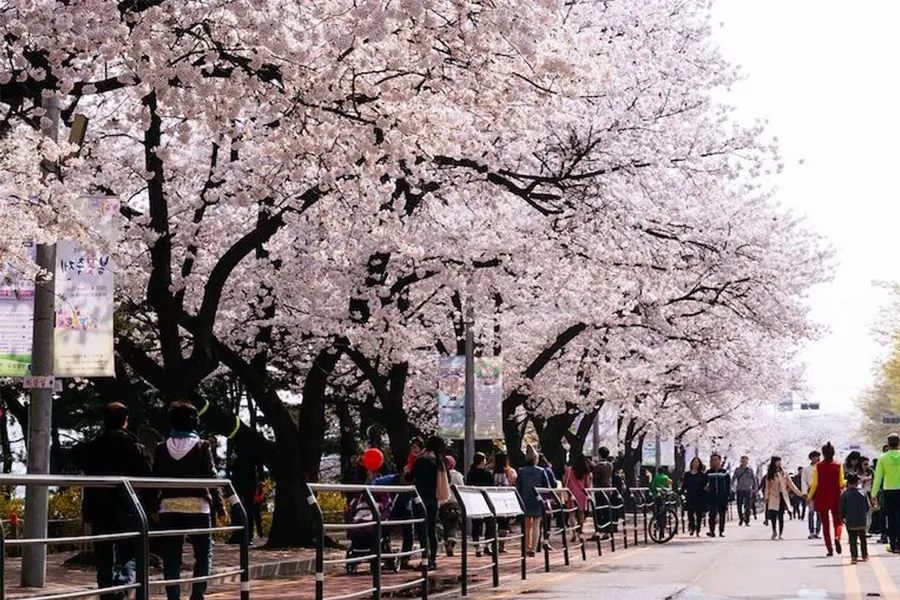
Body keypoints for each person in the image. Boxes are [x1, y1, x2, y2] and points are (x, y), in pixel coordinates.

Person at [71, 402, 152, 600]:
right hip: (127, 507)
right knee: (131, 553)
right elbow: (148, 477)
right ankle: (122, 585)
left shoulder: (92, 447)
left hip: (98, 507)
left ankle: (106, 592)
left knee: (103, 556)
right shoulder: (136, 448)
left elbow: (74, 455)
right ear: (126, 421)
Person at [151, 402, 226, 600]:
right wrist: (220, 507)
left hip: (168, 507)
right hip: (198, 507)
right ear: (194, 422)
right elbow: (211, 478)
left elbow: (154, 480)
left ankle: (173, 597)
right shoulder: (203, 446)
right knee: (203, 555)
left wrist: (152, 508)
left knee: (171, 557)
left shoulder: (161, 448)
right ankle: (197, 596)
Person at [411, 435, 449, 569]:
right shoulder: (440, 463)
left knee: (422, 531)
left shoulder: (420, 461)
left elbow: (411, 476)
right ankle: (432, 559)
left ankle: (425, 560)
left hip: (420, 499)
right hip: (434, 499)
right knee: (431, 530)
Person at [807, 441, 845, 557]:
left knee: (825, 524)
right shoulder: (838, 465)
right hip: (835, 496)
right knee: (837, 521)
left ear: (823, 454)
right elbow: (841, 483)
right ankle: (837, 537)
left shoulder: (818, 466)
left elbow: (815, 484)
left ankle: (829, 549)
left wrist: (809, 497)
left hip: (822, 496)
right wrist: (848, 481)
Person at [516, 446, 550, 557]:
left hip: (524, 500)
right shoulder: (541, 471)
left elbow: (518, 486)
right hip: (537, 500)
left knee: (526, 526)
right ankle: (533, 548)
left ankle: (526, 547)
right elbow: (547, 487)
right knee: (536, 525)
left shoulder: (521, 471)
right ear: (536, 459)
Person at [763, 456, 803, 540]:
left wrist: (800, 494)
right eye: (777, 461)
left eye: (780, 461)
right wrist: (766, 497)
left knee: (781, 515)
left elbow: (791, 485)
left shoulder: (784, 473)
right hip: (773, 496)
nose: (779, 463)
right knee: (773, 515)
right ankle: (774, 531)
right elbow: (767, 487)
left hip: (782, 496)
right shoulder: (770, 474)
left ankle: (781, 533)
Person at [873, 433, 900, 554]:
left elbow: (878, 477)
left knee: (891, 518)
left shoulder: (883, 458)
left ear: (888, 444)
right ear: (899, 443)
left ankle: (893, 545)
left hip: (888, 490)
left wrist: (873, 494)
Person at [466, 452, 494, 557]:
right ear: (482, 461)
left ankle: (477, 548)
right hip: (486, 501)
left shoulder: (470, 473)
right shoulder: (487, 474)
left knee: (476, 525)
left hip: (474, 501)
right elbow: (492, 487)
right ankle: (487, 546)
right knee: (489, 523)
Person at [840, 473, 870, 564]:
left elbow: (842, 508)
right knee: (863, 538)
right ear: (857, 482)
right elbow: (868, 507)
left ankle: (854, 557)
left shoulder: (845, 494)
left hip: (851, 521)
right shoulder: (863, 493)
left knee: (852, 539)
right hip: (862, 520)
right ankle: (865, 555)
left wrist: (842, 517)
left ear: (847, 483)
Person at [563, 454, 593, 539]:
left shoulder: (569, 470)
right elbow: (588, 485)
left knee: (571, 514)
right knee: (581, 513)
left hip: (571, 493)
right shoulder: (586, 472)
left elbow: (565, 482)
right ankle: (580, 529)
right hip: (582, 494)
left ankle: (573, 533)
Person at [681, 457, 707, 536]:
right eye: (694, 462)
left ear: (699, 464)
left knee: (699, 514)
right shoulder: (687, 474)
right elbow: (684, 485)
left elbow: (705, 485)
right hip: (690, 496)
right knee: (690, 513)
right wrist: (681, 492)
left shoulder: (701, 474)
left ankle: (698, 530)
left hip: (699, 496)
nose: (695, 464)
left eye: (697, 462)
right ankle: (692, 527)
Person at [706, 453, 730, 538]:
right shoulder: (708, 473)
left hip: (722, 497)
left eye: (716, 460)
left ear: (720, 461)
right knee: (712, 514)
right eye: (713, 460)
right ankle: (712, 531)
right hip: (711, 496)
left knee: (722, 514)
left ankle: (721, 531)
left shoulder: (724, 473)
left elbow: (728, 485)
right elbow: (704, 484)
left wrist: (727, 496)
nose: (715, 461)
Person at [732, 456, 757, 527]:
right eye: (743, 460)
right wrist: (732, 487)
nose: (744, 462)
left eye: (745, 461)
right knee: (739, 505)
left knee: (748, 506)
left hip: (748, 490)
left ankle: (747, 520)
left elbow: (754, 479)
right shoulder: (737, 470)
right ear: (741, 461)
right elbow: (734, 478)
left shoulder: (750, 470)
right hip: (739, 489)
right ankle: (741, 517)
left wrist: (755, 487)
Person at [801, 450, 821, 539]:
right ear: (811, 458)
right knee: (811, 512)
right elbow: (803, 481)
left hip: (820, 491)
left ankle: (818, 531)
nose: (816, 458)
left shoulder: (822, 467)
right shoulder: (806, 469)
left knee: (820, 512)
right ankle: (811, 531)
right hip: (810, 490)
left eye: (817, 456)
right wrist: (804, 493)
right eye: (814, 457)